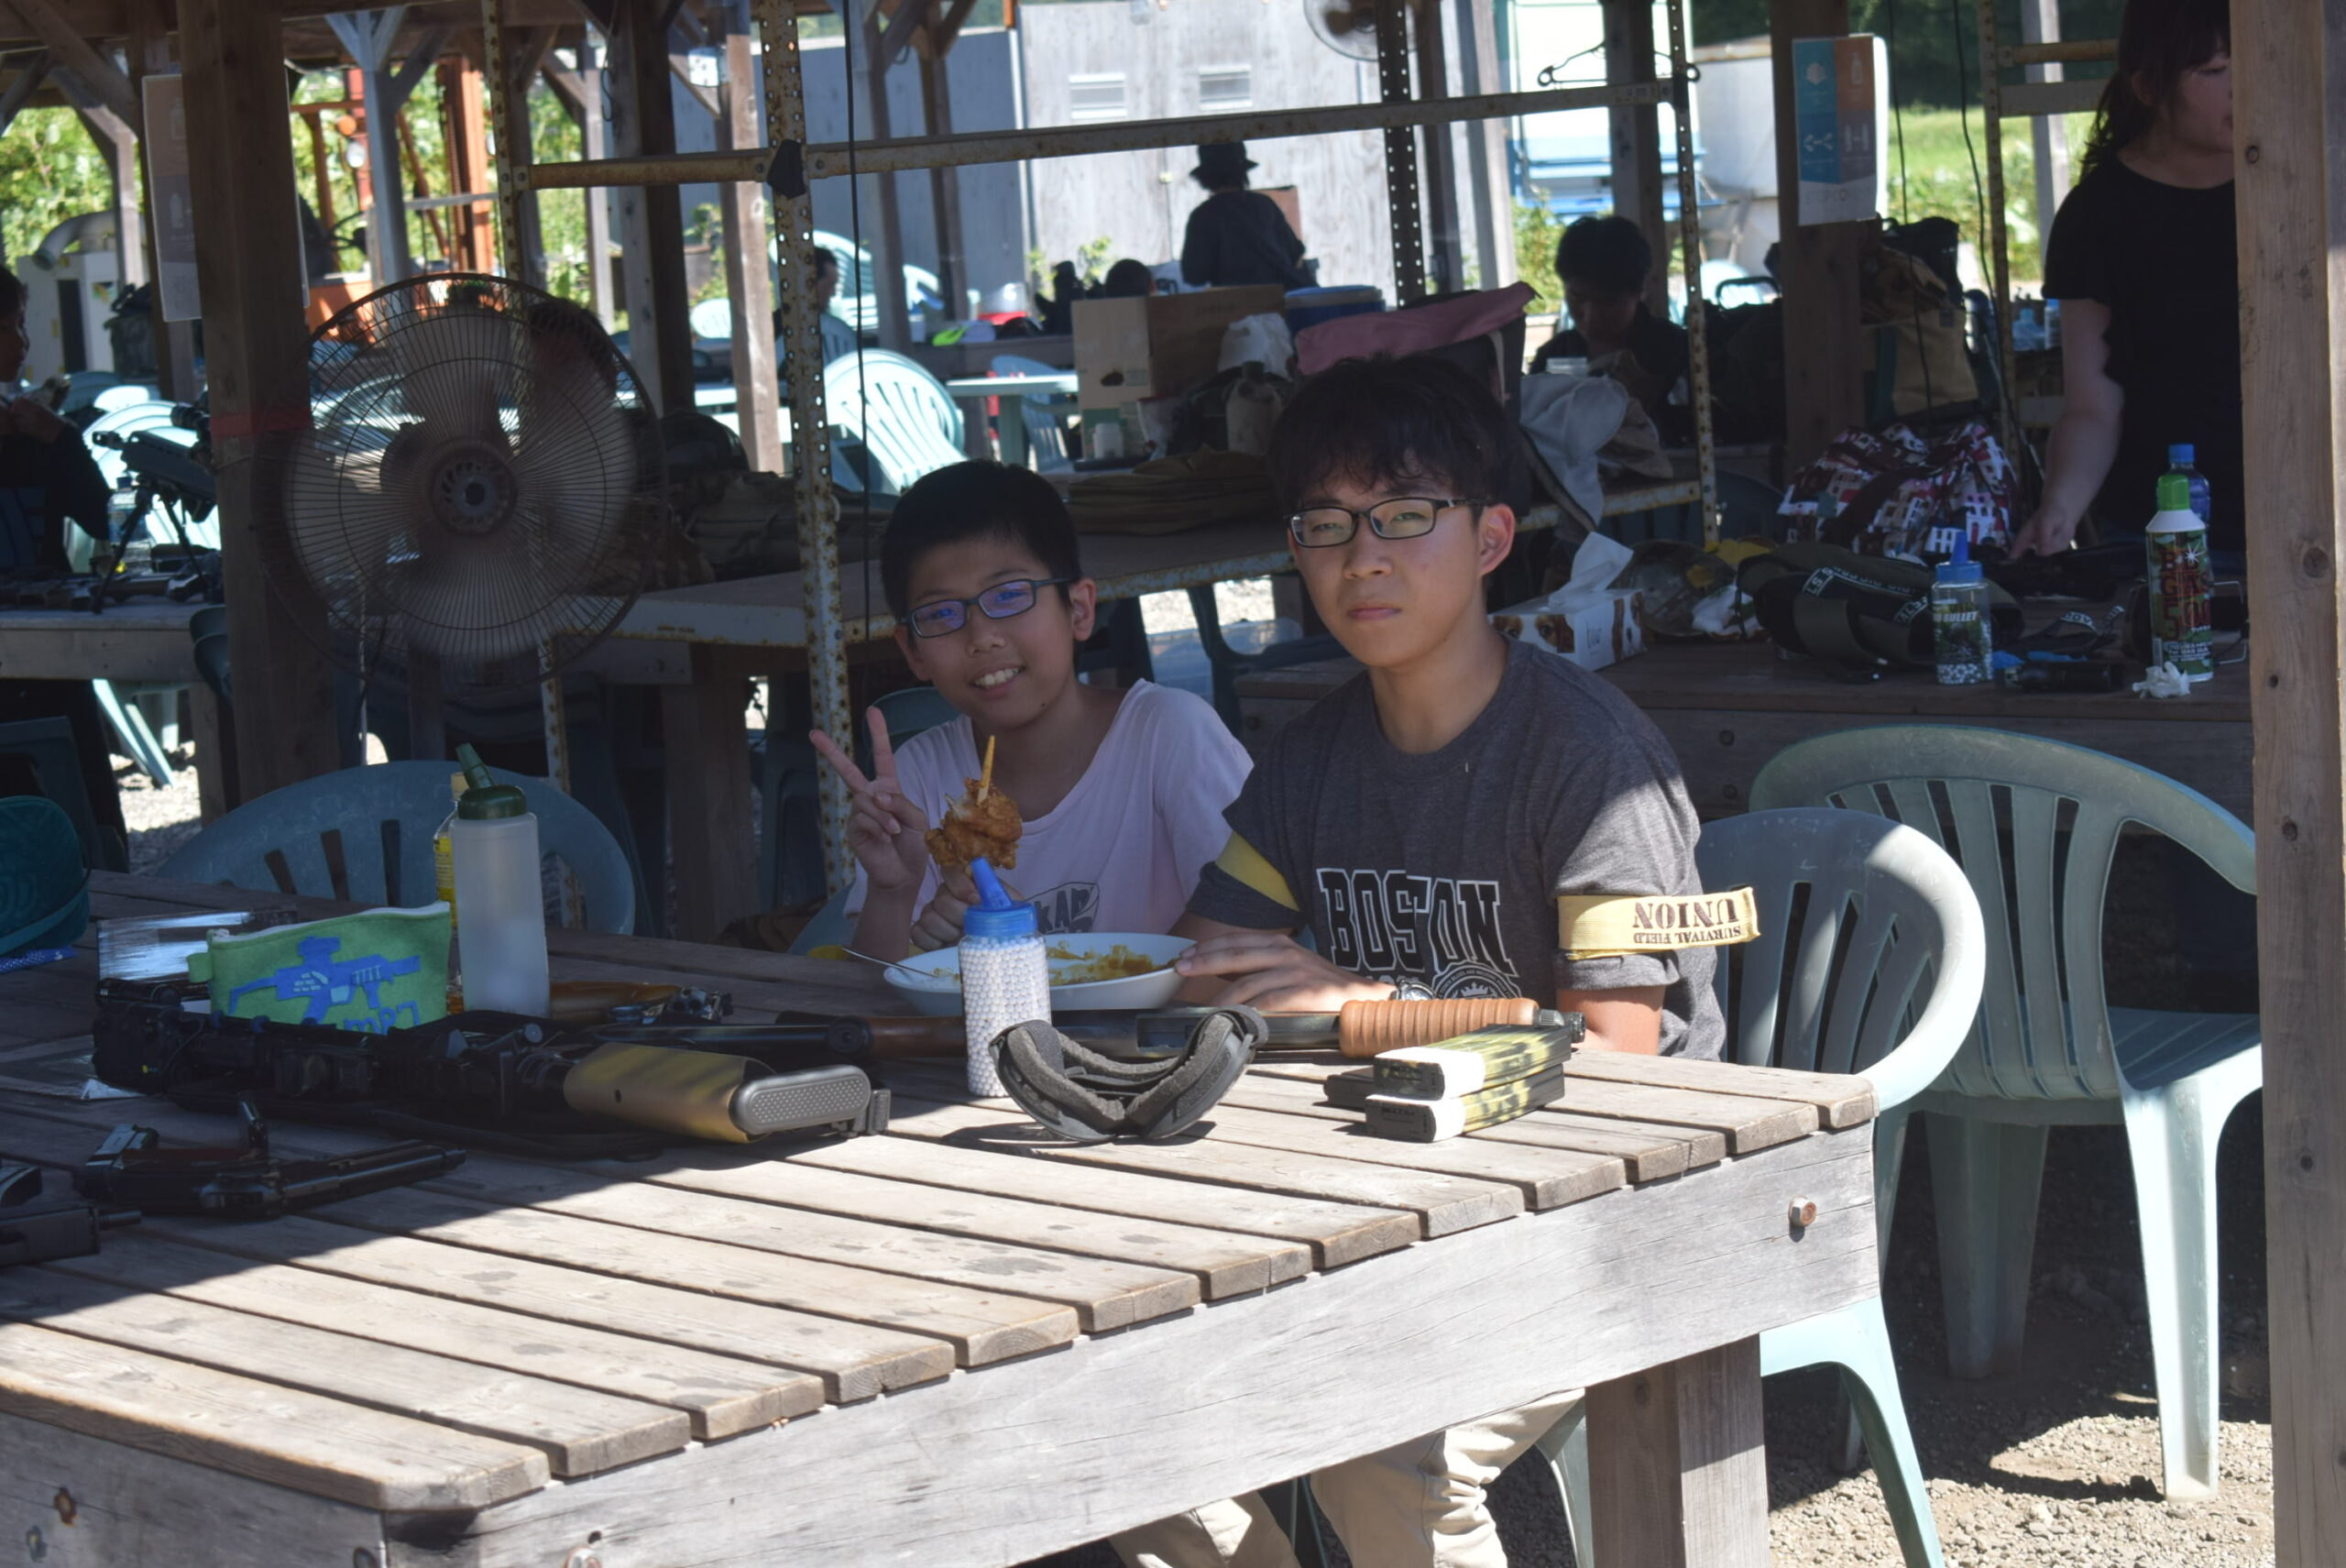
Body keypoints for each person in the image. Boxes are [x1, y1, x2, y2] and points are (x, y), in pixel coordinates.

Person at [1113, 353, 1727, 1568]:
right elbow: (1204, 964)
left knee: (1380, 1444)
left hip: (1622, 1201)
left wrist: (1370, 1005)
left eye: (1402, 516)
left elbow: (1621, 1053)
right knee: (1115, 1407)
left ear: (1492, 537)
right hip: (1387, 1192)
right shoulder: (1310, 757)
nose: (1362, 558)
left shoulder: (1596, 759)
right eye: (1326, 525)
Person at [810, 461, 1250, 959]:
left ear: (1078, 609)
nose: (982, 637)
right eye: (941, 613)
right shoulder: (920, 778)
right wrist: (895, 897)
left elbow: (1249, 929)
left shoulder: (1170, 735)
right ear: (913, 651)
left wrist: (1033, 960)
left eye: (1009, 596)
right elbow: (876, 989)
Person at [2013, 0, 2238, 562]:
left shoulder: (2309, 183)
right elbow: (2092, 405)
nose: (2244, 86)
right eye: (2214, 70)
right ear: (2148, 87)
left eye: (2255, 62)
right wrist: (2059, 508)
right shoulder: (2098, 214)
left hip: (2311, 520)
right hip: (2162, 531)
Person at [0, 263, 127, 864]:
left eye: (23, 324)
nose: (23, 341)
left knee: (88, 817)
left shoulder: (38, 436)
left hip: (53, 662)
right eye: (11, 325)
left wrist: (64, 440)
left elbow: (105, 522)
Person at [1528, 214, 1689, 422]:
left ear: (1639, 292)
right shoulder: (1553, 355)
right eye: (1577, 297)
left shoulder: (1676, 351)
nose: (1590, 315)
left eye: (1608, 302)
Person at [1180, 143, 1312, 291]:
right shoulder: (1264, 204)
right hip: (1279, 295)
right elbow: (1295, 253)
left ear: (1205, 177)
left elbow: (1194, 275)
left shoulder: (1203, 216)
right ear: (1242, 172)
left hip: (1234, 301)